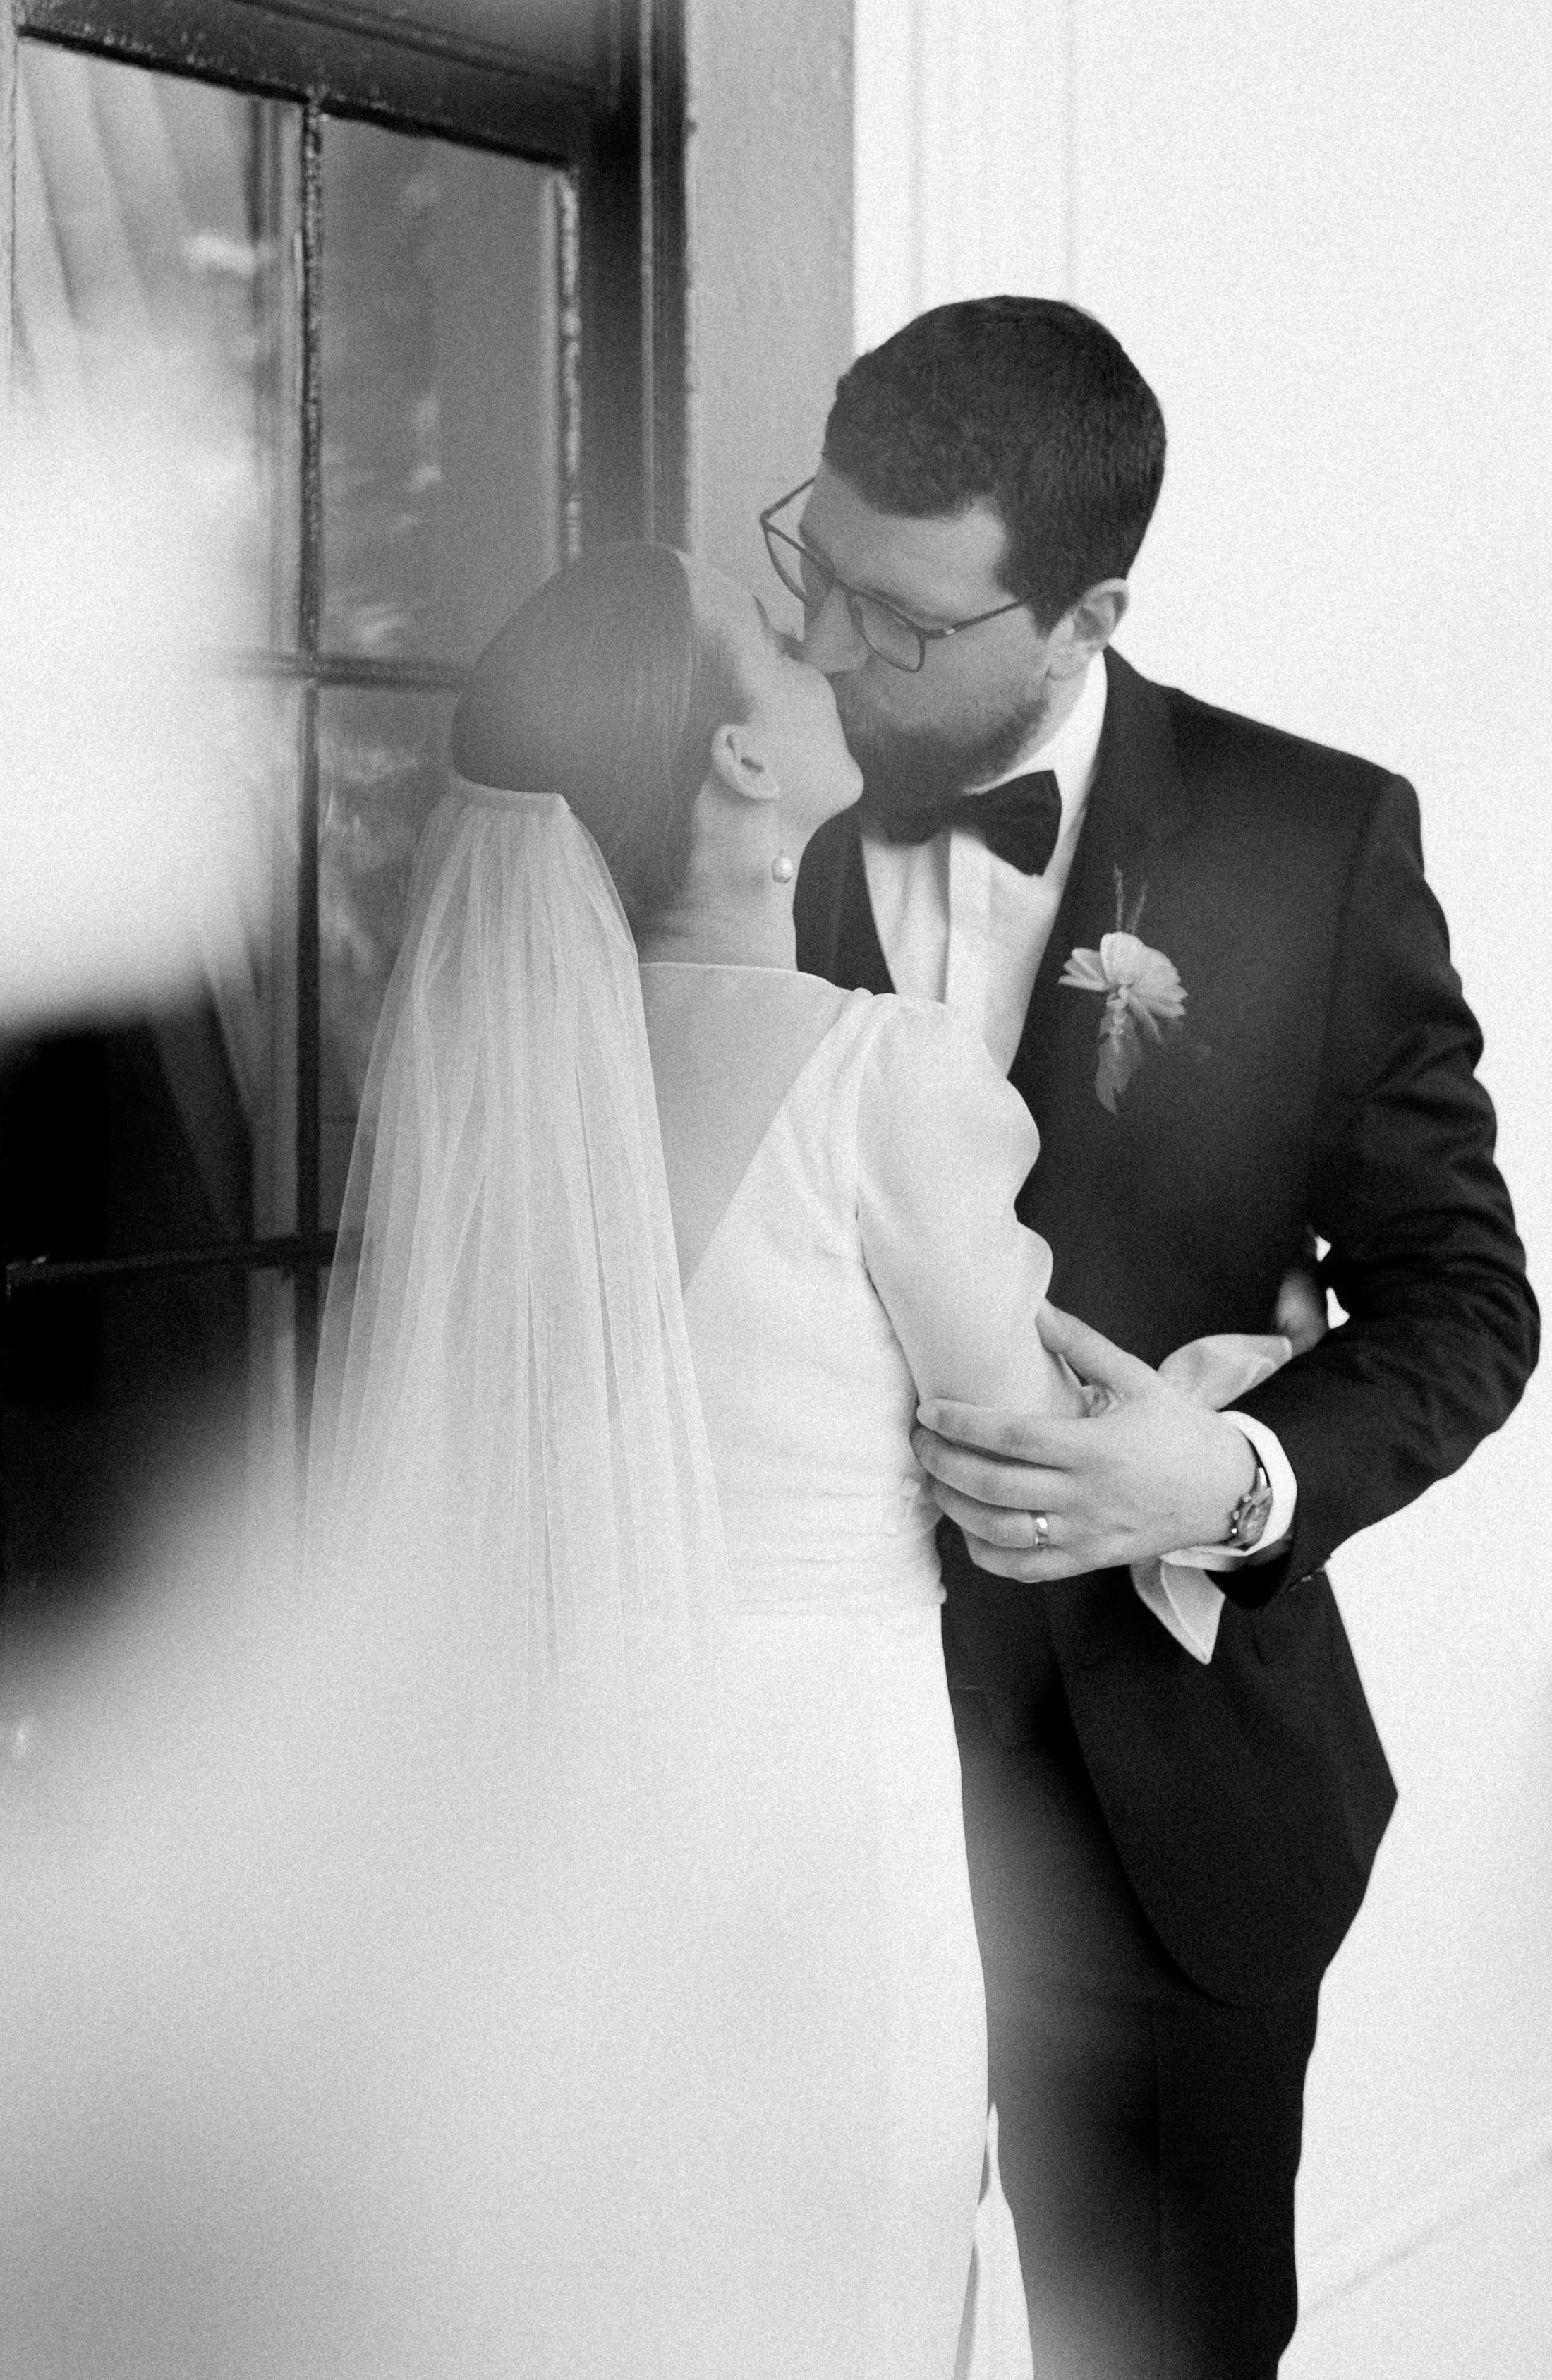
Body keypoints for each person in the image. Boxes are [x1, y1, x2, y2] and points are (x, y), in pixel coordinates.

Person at [784, 296, 1539, 2380]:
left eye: (906, 622)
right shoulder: (742, 806)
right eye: (814, 572)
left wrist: (1224, 1473)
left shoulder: (1310, 843)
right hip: (798, 1809)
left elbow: (1466, 1297)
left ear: (1090, 605)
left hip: (1162, 1795)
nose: (833, 654)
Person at [307, 541, 1086, 2378]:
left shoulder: (496, 1091)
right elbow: (1031, 1477)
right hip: (821, 1815)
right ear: (736, 766)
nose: (826, 651)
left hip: (567, 1784)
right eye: (784, 650)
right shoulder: (885, 1079)